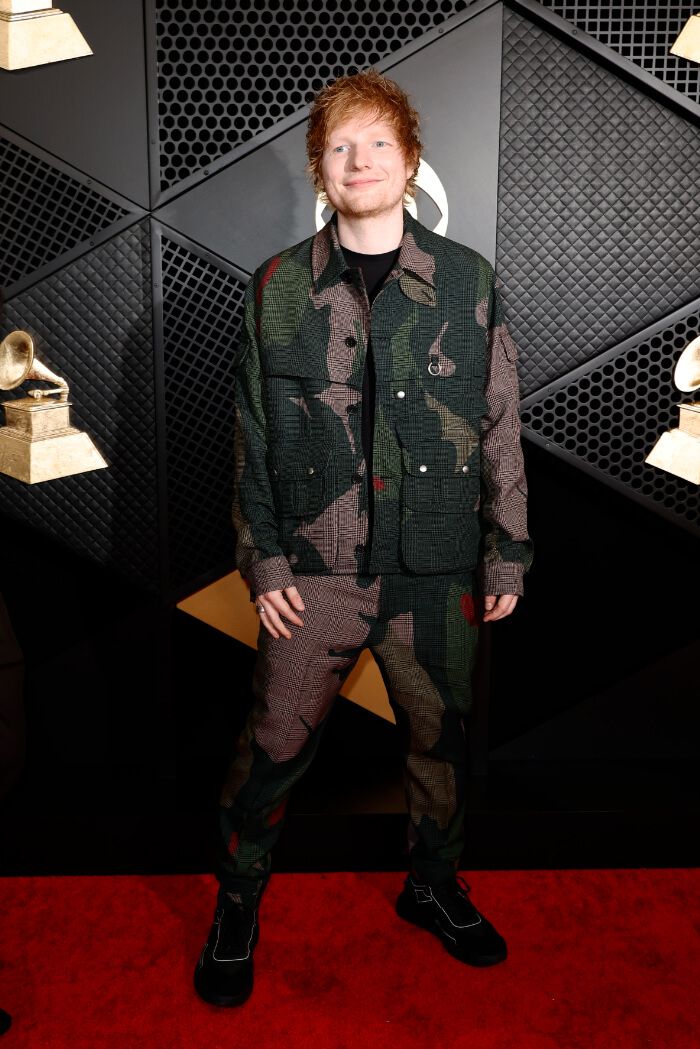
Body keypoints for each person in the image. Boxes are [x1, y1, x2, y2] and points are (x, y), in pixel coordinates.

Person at [194, 68, 533, 1007]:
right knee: (271, 743)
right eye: (341, 146)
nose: (360, 161)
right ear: (322, 168)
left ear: (411, 160)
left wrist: (507, 550)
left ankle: (433, 886)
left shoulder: (467, 280)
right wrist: (262, 557)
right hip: (314, 572)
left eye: (379, 142)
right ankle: (238, 899)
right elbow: (251, 436)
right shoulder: (278, 288)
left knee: (441, 743)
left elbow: (500, 423)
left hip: (439, 569)